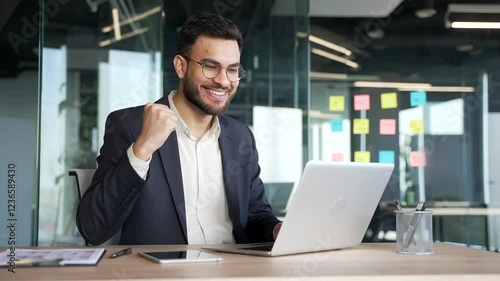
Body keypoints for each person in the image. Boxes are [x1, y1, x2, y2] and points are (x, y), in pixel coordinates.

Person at [76, 11, 282, 246]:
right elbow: (93, 229)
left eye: (232, 70)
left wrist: (277, 230)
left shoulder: (240, 136)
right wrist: (141, 149)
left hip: (231, 270)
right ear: (181, 67)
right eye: (210, 66)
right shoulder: (131, 125)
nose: (223, 81)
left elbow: (255, 216)